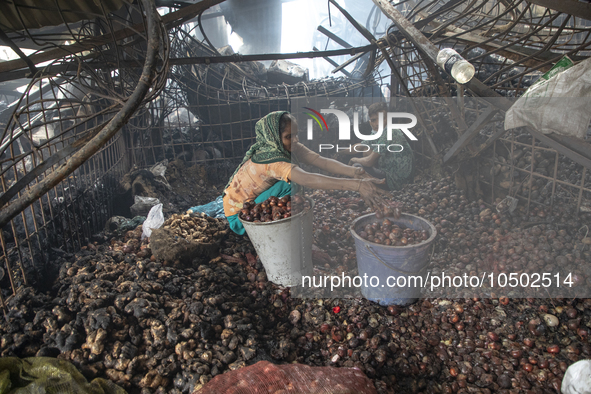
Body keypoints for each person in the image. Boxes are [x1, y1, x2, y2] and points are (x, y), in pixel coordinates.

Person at [223, 111, 389, 235]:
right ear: (273, 137)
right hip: (240, 217)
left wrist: (355, 172)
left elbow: (320, 160)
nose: (295, 140)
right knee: (294, 184)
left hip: (256, 200)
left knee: (292, 185)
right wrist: (357, 185)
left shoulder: (288, 146)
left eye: (296, 134)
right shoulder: (272, 160)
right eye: (289, 136)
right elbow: (306, 179)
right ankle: (267, 231)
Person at [348, 102, 414, 191]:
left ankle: (364, 189)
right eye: (374, 120)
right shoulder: (379, 132)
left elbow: (369, 162)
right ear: (370, 121)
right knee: (366, 150)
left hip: (396, 182)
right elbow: (360, 146)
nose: (377, 123)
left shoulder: (390, 131)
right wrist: (340, 153)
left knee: (357, 166)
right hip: (389, 175)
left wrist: (353, 159)